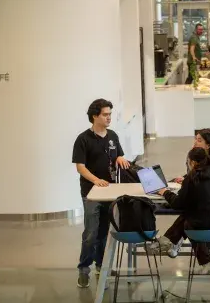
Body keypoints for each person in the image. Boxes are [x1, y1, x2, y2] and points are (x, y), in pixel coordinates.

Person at [72, 99, 130, 288]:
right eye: (105, 114)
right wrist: (95, 180)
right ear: (94, 116)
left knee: (105, 233)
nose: (109, 118)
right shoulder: (83, 139)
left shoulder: (113, 135)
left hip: (110, 193)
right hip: (91, 193)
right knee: (90, 233)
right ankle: (84, 269)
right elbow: (80, 167)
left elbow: (118, 154)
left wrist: (120, 157)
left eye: (110, 114)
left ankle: (101, 266)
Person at [150, 147, 210, 274]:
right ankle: (170, 242)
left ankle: (170, 242)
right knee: (190, 214)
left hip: (204, 227)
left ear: (193, 162)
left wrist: (165, 192)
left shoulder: (192, 178)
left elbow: (178, 204)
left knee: (189, 219)